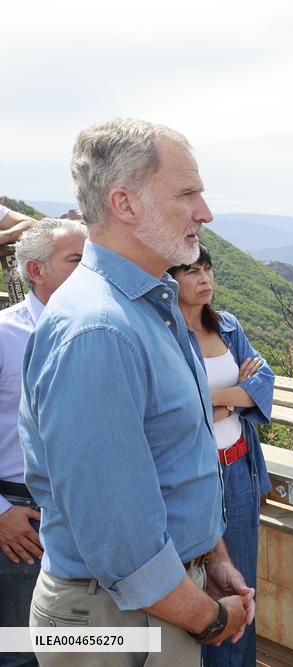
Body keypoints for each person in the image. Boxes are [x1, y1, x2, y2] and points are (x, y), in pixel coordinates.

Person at [18, 119, 253, 666]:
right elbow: (118, 535)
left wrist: (211, 557)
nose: (205, 212)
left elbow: (174, 457)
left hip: (153, 602)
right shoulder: (99, 330)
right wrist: (211, 618)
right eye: (187, 193)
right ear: (124, 203)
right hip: (113, 619)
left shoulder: (149, 310)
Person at [169, 242, 274, 667]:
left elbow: (263, 384)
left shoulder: (228, 326)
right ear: (168, 278)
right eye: (192, 271)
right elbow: (177, 404)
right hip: (195, 472)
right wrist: (236, 397)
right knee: (202, 581)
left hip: (239, 467)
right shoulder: (165, 333)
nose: (205, 278)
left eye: (207, 269)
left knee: (242, 580)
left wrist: (220, 404)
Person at [0, 218, 86, 667]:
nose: (89, 268)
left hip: (83, 516)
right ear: (36, 270)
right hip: (20, 521)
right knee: (19, 652)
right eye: (76, 259)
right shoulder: (4, 335)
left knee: (78, 650)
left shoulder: (99, 332)